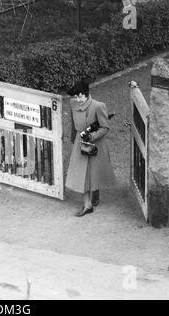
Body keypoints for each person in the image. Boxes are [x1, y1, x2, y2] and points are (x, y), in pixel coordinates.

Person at [65, 80, 116, 217]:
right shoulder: (73, 103)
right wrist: (73, 140)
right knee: (83, 174)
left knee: (93, 171)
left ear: (86, 94)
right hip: (79, 141)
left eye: (80, 96)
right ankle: (87, 205)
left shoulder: (98, 106)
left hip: (94, 144)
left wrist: (92, 136)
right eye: (76, 96)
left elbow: (105, 127)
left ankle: (95, 191)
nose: (78, 99)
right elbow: (73, 122)